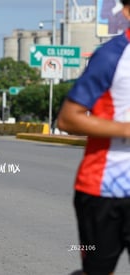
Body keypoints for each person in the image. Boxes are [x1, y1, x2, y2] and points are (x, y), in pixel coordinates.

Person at [57, 1, 130, 273]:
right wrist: (125, 129)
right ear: (127, 12)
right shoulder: (111, 56)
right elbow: (68, 118)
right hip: (102, 189)